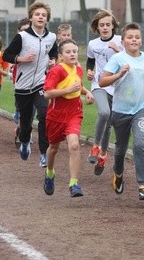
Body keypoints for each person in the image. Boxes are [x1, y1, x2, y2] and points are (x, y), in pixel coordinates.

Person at [99, 22, 144, 201]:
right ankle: (118, 173)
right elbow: (102, 82)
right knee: (120, 149)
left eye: (137, 37)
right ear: (123, 41)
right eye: (130, 37)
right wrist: (119, 75)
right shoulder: (118, 59)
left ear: (141, 40)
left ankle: (143, 185)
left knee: (140, 144)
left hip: (141, 107)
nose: (134, 40)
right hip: (121, 110)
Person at [3, 1, 58, 168]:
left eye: (43, 15)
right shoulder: (23, 37)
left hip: (41, 83)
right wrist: (21, 59)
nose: (40, 17)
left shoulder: (52, 37)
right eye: (37, 14)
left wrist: (52, 61)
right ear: (31, 17)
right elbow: (7, 55)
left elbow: (53, 52)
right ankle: (25, 141)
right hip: (22, 86)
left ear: (47, 19)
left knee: (44, 114)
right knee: (25, 123)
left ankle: (43, 153)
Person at [42, 39, 94, 197]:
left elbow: (78, 84)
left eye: (75, 51)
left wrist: (87, 92)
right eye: (68, 52)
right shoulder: (56, 71)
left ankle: (74, 184)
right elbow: (47, 93)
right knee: (53, 149)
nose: (72, 54)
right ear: (60, 56)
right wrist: (68, 90)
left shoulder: (78, 69)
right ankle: (50, 173)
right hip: (56, 116)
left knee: (74, 146)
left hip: (74, 113)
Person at [86, 9, 123, 175]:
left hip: (118, 87)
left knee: (109, 124)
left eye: (108, 24)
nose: (105, 27)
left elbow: (131, 60)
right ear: (97, 27)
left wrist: (118, 50)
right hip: (99, 85)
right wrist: (89, 71)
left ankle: (102, 155)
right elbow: (90, 61)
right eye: (102, 25)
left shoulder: (121, 41)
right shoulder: (93, 44)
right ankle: (95, 147)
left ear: (113, 26)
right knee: (103, 113)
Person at [11, 18, 31, 125]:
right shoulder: (17, 42)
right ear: (18, 31)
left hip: (36, 80)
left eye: (28, 29)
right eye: (23, 30)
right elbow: (9, 56)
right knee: (20, 104)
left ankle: (26, 132)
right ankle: (19, 119)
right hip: (20, 79)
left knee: (32, 108)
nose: (26, 32)